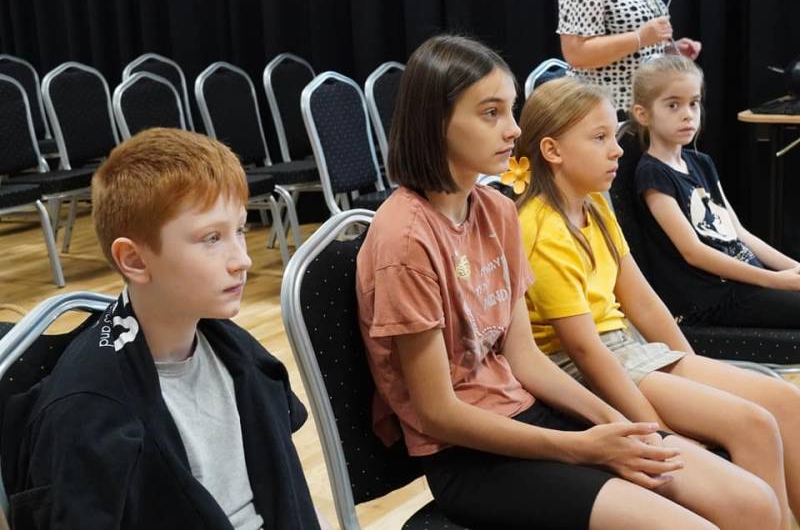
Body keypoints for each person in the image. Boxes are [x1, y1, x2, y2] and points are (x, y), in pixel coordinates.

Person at [356, 34, 780, 530]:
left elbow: (525, 359)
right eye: (491, 113)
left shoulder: (495, 210)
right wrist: (580, 447)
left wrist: (620, 424)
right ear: (436, 122)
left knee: (753, 503)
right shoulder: (406, 239)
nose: (514, 129)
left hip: (530, 411)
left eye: (510, 110)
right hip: (469, 456)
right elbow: (438, 414)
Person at [0, 128, 322, 529]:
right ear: (135, 260)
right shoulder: (88, 414)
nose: (242, 259)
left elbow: (292, 497)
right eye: (211, 238)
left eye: (239, 230)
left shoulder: (239, 352)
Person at [516, 75, 800, 530]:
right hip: (589, 367)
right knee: (754, 425)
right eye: (599, 138)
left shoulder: (594, 205)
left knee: (785, 401)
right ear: (552, 150)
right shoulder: (539, 228)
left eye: (614, 136)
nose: (617, 150)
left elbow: (644, 304)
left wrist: (694, 369)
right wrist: (661, 432)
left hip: (631, 351)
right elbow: (586, 351)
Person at [630, 54, 800, 328]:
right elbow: (693, 252)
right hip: (713, 298)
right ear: (643, 114)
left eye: (694, 103)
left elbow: (739, 233)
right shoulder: (653, 174)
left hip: (745, 282)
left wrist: (794, 268)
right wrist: (776, 280)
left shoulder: (701, 162)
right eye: (673, 105)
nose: (688, 114)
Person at [558, 0, 701, 112]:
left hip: (644, 105)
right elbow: (575, 53)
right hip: (601, 107)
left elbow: (635, 50)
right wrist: (639, 37)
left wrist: (669, 50)